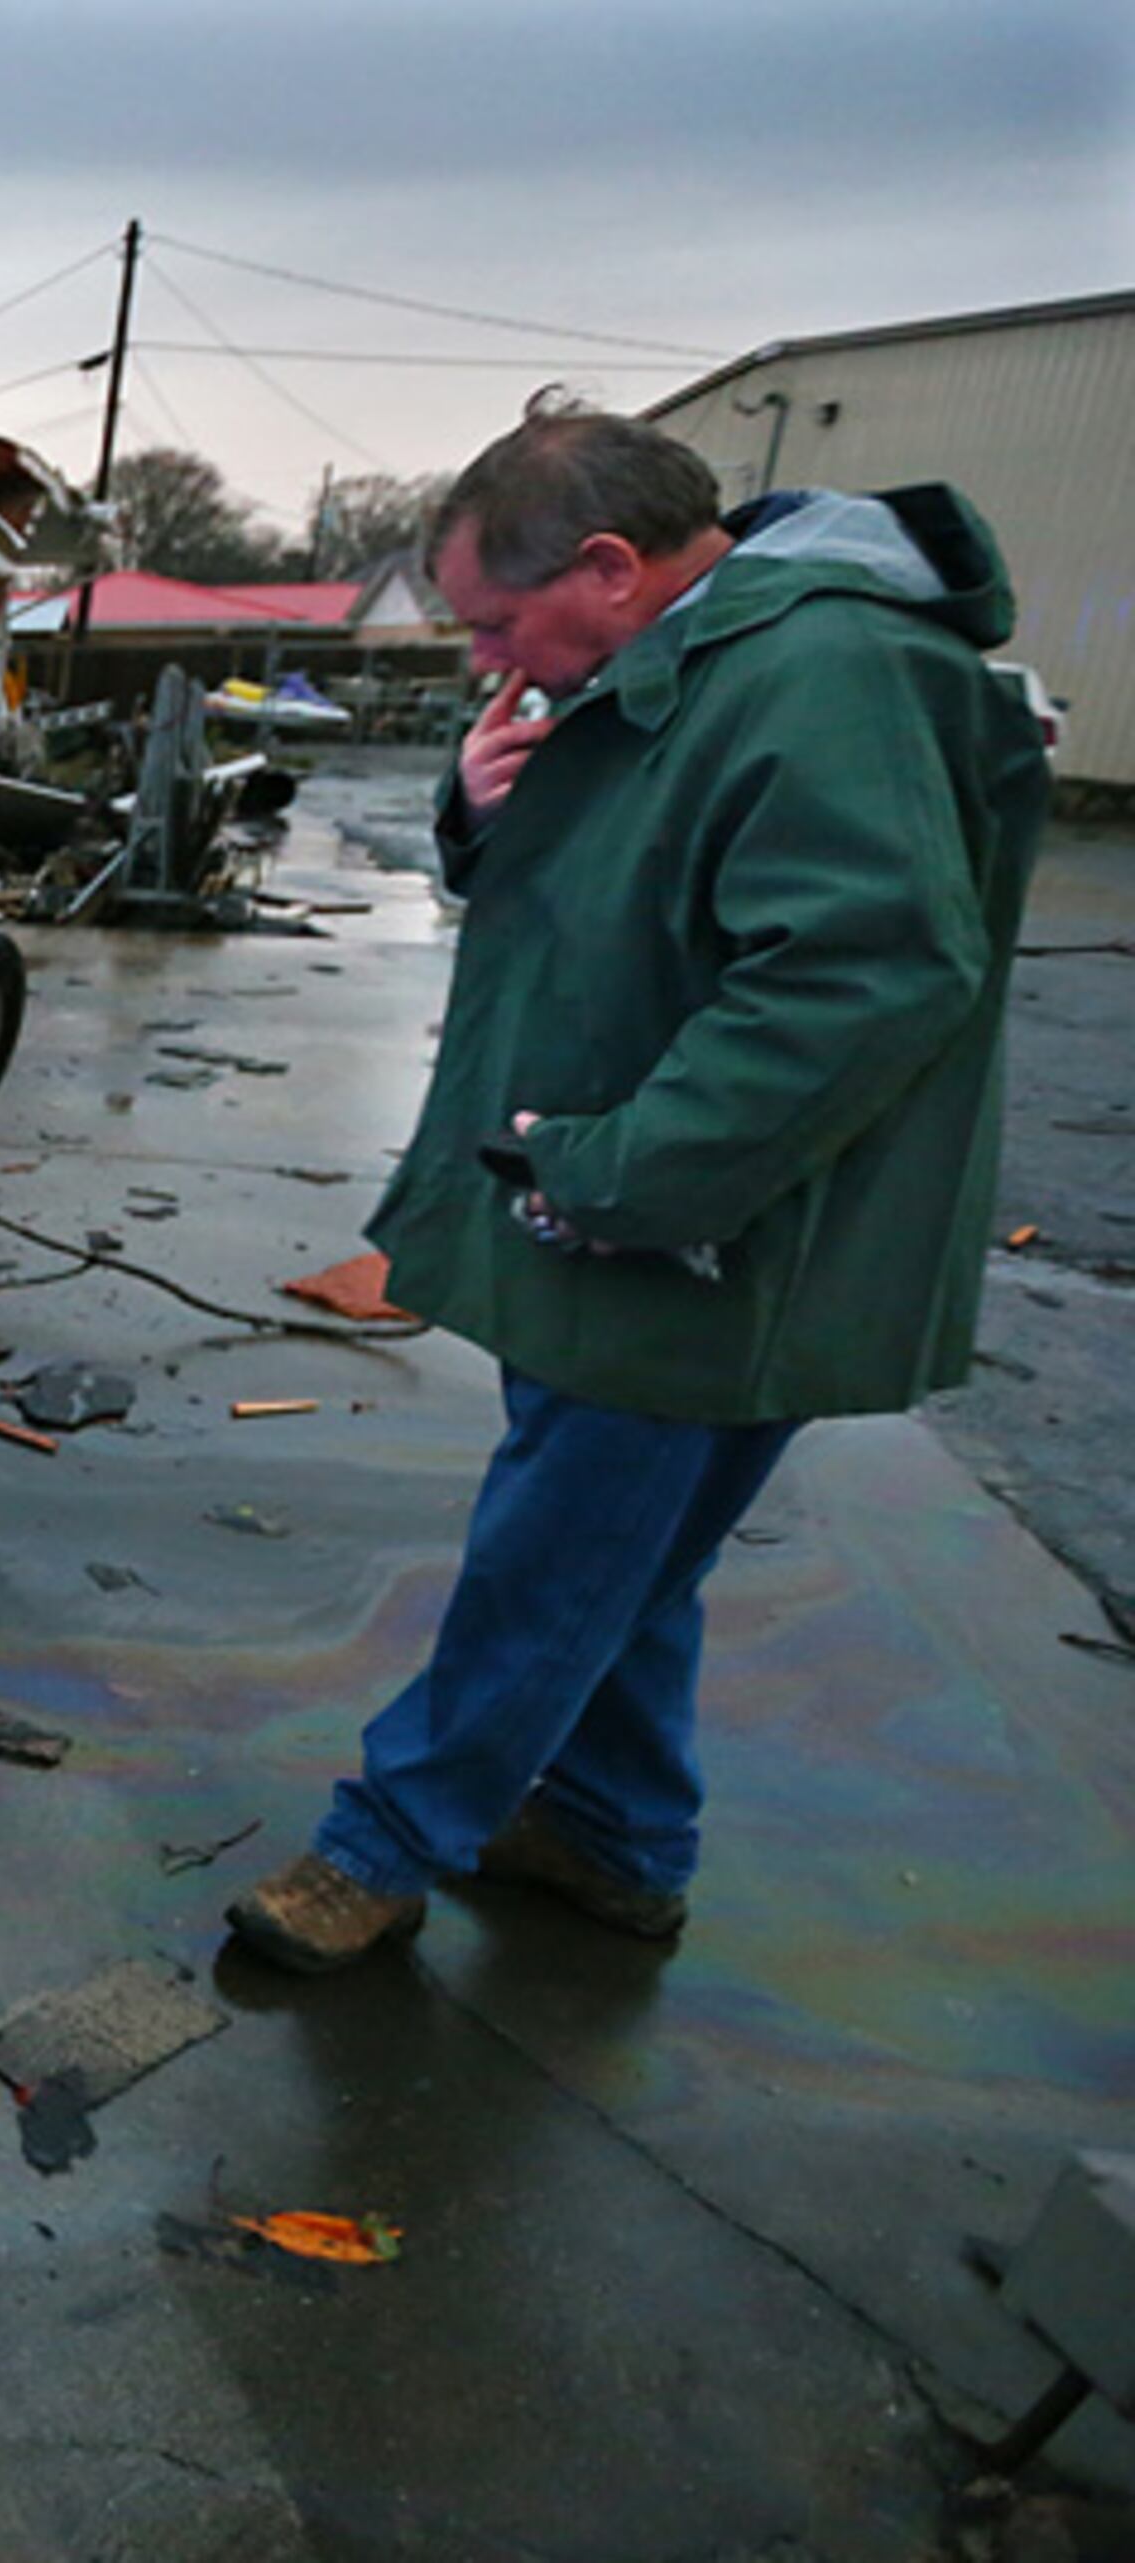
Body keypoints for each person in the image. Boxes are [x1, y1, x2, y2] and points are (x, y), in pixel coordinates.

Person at [226, 404, 1054, 1973]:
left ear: (609, 567)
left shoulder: (829, 673)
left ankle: (386, 1845)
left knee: (558, 1562)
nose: (486, 657)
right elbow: (622, 882)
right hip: (622, 1211)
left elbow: (865, 978)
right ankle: (615, 1835)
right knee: (623, 1556)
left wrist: (620, 1173)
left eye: (495, 622)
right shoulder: (684, 659)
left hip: (699, 1237)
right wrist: (484, 810)